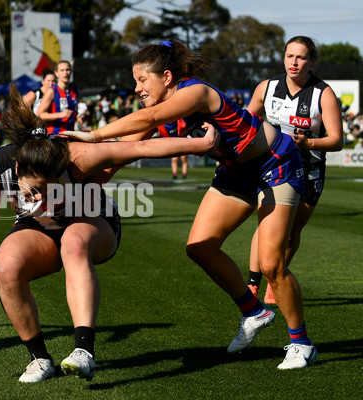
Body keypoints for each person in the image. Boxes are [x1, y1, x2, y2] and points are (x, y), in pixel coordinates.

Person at [61, 40, 316, 370]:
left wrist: (92, 135)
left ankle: (301, 343)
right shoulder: (160, 113)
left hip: (275, 162)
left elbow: (147, 116)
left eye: (142, 80)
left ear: (166, 77)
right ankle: (254, 311)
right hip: (234, 171)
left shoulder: (195, 91)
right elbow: (117, 157)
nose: (136, 88)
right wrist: (76, 195)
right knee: (199, 247)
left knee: (270, 264)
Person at [0, 84, 219, 383]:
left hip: (91, 219)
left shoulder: (76, 156)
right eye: (33, 190)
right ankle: (39, 359)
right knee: (6, 264)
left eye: (49, 188)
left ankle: (84, 352)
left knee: (73, 242)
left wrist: (201, 145)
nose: (40, 198)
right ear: (17, 168)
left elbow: (138, 148)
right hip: (38, 229)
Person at [245, 36, 344, 304]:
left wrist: (308, 141)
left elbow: (337, 139)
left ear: (311, 61)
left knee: (291, 232)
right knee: (265, 225)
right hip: (273, 167)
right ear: (284, 57)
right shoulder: (267, 87)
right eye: (290, 56)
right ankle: (253, 285)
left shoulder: (324, 94)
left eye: (301, 57)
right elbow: (246, 120)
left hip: (309, 169)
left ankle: (275, 278)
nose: (294, 62)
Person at [35, 60, 79, 135]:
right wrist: (60, 115)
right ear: (56, 73)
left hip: (71, 134)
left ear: (71, 72)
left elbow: (72, 111)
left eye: (67, 70)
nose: (65, 73)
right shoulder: (52, 91)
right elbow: (39, 114)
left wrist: (78, 116)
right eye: (62, 70)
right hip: (54, 136)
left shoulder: (74, 90)